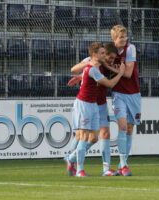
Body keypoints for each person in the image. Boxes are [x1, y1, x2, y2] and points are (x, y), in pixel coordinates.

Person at [64, 42, 125, 177]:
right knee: (82, 135)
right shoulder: (91, 63)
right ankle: (77, 166)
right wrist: (86, 69)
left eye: (112, 57)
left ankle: (103, 168)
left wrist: (119, 71)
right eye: (108, 56)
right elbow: (74, 69)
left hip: (99, 103)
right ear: (98, 55)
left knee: (97, 137)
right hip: (86, 102)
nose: (110, 59)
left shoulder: (107, 66)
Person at [110, 25, 141, 176]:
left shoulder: (130, 48)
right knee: (122, 126)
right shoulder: (109, 51)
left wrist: (113, 69)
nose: (124, 39)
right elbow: (95, 61)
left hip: (133, 94)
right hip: (118, 94)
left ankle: (123, 164)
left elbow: (128, 73)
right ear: (114, 39)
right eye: (120, 37)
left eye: (125, 36)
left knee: (129, 129)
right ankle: (123, 164)